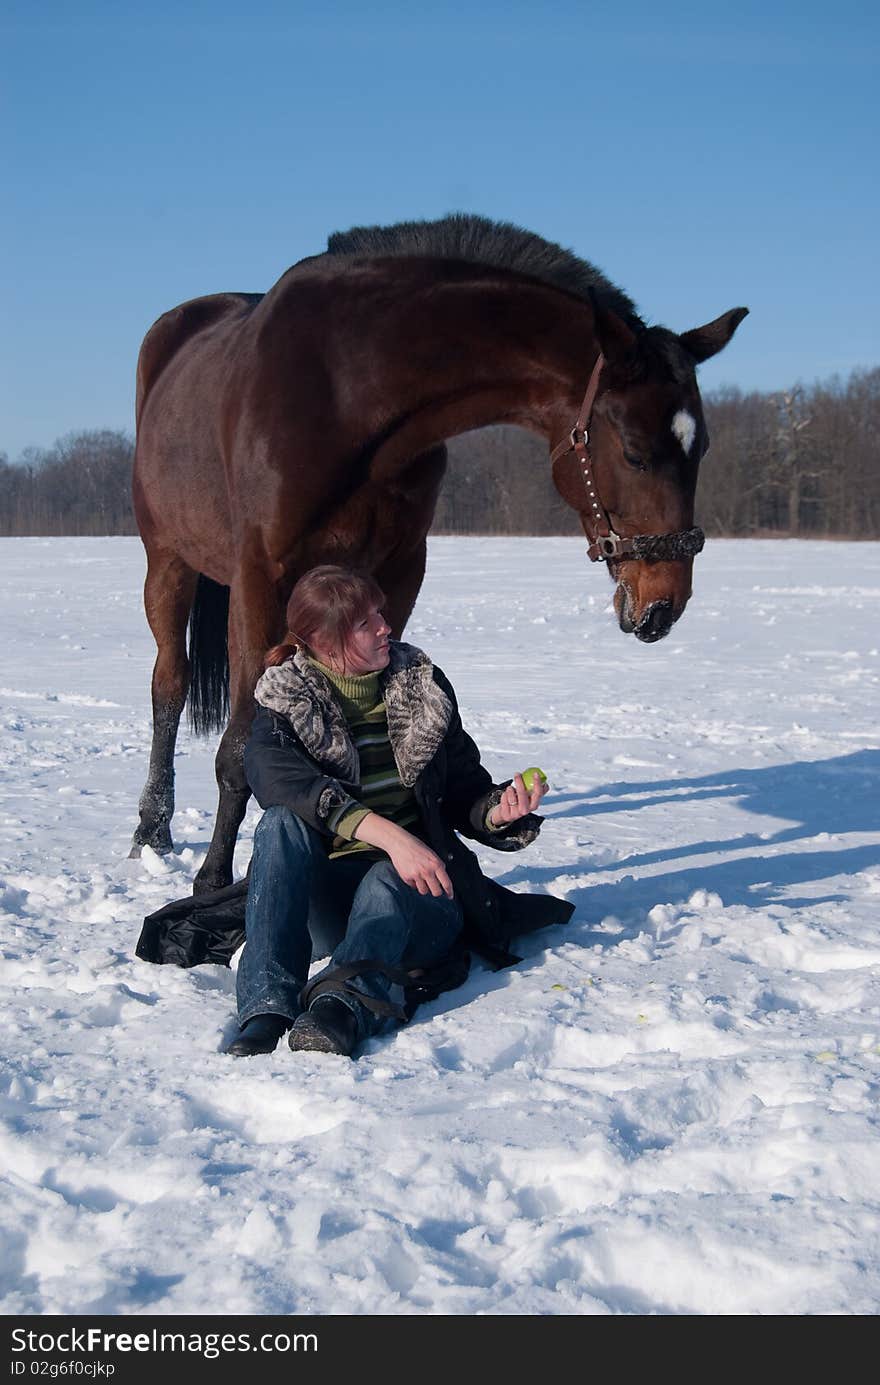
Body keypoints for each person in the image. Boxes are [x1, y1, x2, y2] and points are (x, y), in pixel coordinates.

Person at [228, 564, 573, 1059]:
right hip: (330, 902)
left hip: (423, 897)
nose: (386, 626)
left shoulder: (422, 690)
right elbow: (277, 781)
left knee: (390, 879)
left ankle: (341, 1008)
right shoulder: (286, 701)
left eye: (380, 614)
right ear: (325, 643)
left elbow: (464, 792)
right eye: (366, 623)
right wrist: (394, 837)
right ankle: (266, 1007)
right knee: (280, 824)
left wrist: (498, 811)